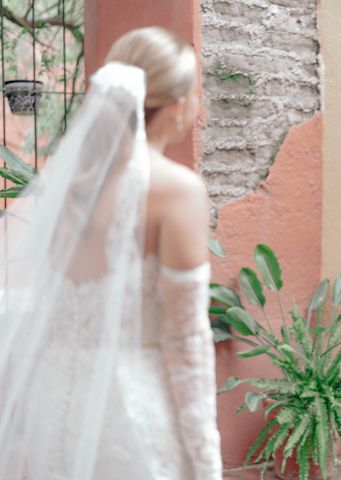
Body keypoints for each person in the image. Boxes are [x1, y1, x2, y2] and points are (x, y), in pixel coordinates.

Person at [0, 27, 222, 479]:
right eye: (197, 89)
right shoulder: (177, 191)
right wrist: (205, 462)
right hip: (129, 419)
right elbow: (186, 345)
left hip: (56, 412)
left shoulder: (63, 190)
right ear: (178, 104)